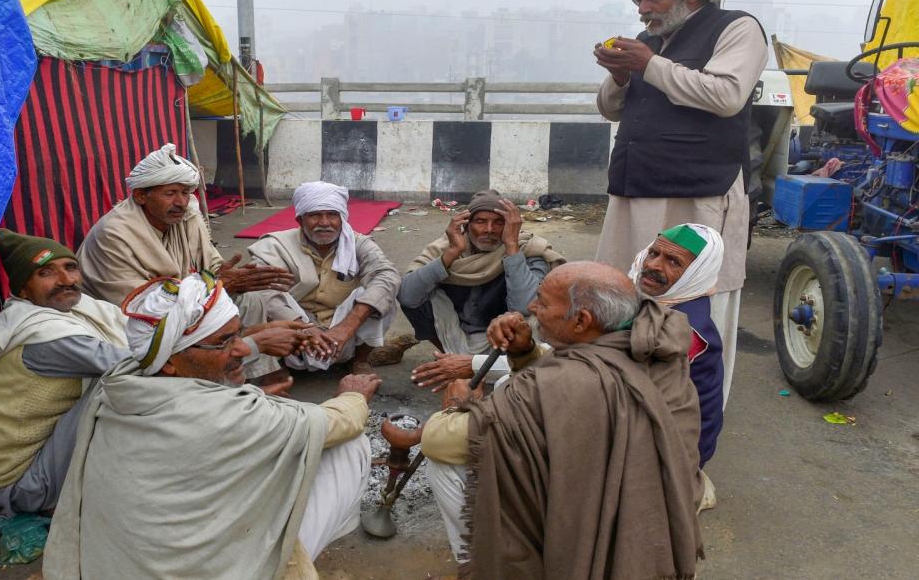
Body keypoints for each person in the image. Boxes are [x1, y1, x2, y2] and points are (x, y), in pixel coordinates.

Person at [42, 273, 380, 579]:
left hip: (119, 566)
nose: (240, 348)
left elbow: (208, 380)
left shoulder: (120, 381)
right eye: (224, 342)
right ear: (171, 363)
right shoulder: (233, 413)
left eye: (238, 335)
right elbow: (336, 423)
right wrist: (352, 395)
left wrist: (251, 351)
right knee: (349, 446)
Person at [421, 262, 703, 576]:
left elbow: (437, 441)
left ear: (581, 321)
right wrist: (524, 352)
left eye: (542, 302)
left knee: (448, 463)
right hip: (650, 534)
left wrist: (459, 405)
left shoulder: (559, 384)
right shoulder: (656, 346)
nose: (530, 307)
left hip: (593, 533)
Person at [593, 0, 769, 410]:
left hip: (698, 194)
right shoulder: (646, 41)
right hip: (635, 188)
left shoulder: (737, 28)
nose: (642, 9)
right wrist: (620, 75)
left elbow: (727, 95)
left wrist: (648, 65)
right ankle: (626, 400)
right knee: (623, 295)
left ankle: (692, 410)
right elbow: (612, 108)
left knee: (696, 305)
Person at [76, 143, 300, 380]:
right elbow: (140, 309)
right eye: (170, 193)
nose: (181, 202)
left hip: (185, 300)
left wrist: (230, 277)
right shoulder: (114, 233)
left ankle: (247, 376)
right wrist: (215, 285)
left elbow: (212, 267)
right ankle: (213, 382)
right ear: (141, 196)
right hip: (132, 320)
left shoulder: (188, 215)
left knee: (251, 299)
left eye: (185, 192)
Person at [0, 229, 133, 526]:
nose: (65, 280)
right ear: (23, 289)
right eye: (46, 272)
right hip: (24, 485)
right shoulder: (44, 335)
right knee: (121, 387)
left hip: (46, 456)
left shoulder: (79, 307)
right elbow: (134, 364)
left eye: (70, 267)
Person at [401, 190, 564, 392]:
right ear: (467, 225)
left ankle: (489, 365)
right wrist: (451, 254)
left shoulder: (528, 248)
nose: (489, 229)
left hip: (507, 340)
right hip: (457, 333)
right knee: (418, 287)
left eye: (499, 222)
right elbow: (407, 296)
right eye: (480, 221)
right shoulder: (446, 247)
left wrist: (511, 247)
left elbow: (525, 307)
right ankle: (451, 359)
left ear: (511, 226)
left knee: (537, 313)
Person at [235, 181, 402, 374]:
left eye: (332, 214)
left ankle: (361, 360)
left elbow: (387, 274)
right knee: (253, 295)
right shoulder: (275, 245)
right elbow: (264, 289)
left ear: (342, 219)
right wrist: (303, 327)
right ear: (300, 220)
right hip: (290, 331)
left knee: (382, 291)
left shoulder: (358, 244)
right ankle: (271, 370)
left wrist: (346, 328)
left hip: (343, 332)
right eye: (315, 215)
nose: (324, 222)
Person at [631, 223, 725, 510]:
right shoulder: (657, 300)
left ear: (697, 273)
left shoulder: (686, 331)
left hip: (673, 448)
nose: (654, 266)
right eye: (654, 253)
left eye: (673, 262)